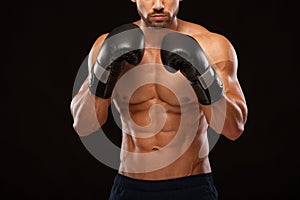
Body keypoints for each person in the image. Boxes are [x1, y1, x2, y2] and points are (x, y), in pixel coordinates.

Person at [70, 0, 248, 199]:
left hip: (191, 187)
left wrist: (203, 74)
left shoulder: (212, 45)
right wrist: (103, 69)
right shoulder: (108, 45)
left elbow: (234, 128)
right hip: (130, 188)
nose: (158, 5)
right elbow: (84, 125)